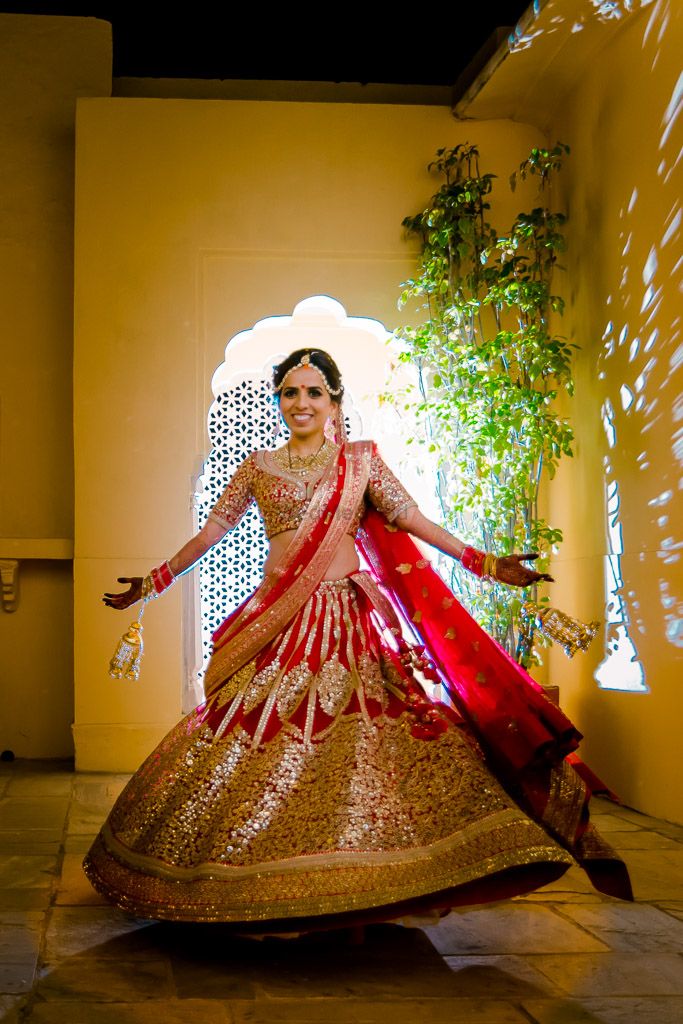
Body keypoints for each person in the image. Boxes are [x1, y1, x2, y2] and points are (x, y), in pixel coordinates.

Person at [84, 348, 631, 929]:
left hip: (345, 619)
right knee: (259, 741)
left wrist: (487, 563)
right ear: (278, 402)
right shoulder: (258, 466)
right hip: (279, 622)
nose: (302, 404)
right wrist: (154, 581)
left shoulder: (360, 463)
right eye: (291, 393)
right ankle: (259, 876)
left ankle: (373, 880)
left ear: (335, 402)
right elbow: (214, 531)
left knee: (364, 745)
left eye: (314, 393)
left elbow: (414, 520)